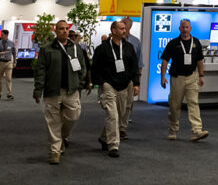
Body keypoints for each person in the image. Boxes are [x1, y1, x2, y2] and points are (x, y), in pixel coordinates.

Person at [33, 20, 89, 165]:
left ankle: (62, 136)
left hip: (72, 90)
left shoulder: (76, 48)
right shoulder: (47, 48)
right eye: (61, 29)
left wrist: (80, 83)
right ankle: (55, 152)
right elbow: (40, 70)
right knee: (53, 122)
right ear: (55, 31)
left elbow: (83, 67)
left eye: (66, 29)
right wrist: (38, 89)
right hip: (53, 91)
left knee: (73, 115)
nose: (64, 31)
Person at [91, 20, 139, 158]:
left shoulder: (129, 47)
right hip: (108, 84)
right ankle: (113, 145)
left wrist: (136, 83)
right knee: (112, 115)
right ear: (113, 31)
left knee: (120, 113)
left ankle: (104, 137)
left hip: (124, 85)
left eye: (125, 29)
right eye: (121, 28)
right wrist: (100, 83)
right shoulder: (103, 49)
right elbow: (95, 68)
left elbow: (134, 67)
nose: (124, 31)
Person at [159, 19, 209, 142]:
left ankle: (197, 130)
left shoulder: (196, 42)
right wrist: (162, 76)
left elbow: (200, 61)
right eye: (183, 27)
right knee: (175, 105)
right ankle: (173, 129)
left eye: (187, 27)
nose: (185, 29)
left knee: (193, 103)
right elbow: (165, 60)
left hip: (192, 77)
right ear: (179, 29)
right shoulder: (173, 43)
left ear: (190, 29)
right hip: (177, 78)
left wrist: (201, 75)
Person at [121, 17, 142, 131]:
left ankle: (122, 128)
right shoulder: (112, 39)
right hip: (116, 76)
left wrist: (137, 79)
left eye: (124, 24)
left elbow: (139, 60)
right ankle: (117, 124)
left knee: (128, 103)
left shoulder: (135, 41)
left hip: (130, 76)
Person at [0, 30, 17, 100]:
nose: (1, 36)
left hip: (8, 63)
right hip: (0, 63)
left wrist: (15, 61)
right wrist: (2, 53)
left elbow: (14, 53)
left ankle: (9, 94)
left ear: (6, 35)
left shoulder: (11, 43)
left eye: (2, 35)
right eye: (1, 34)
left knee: (9, 79)